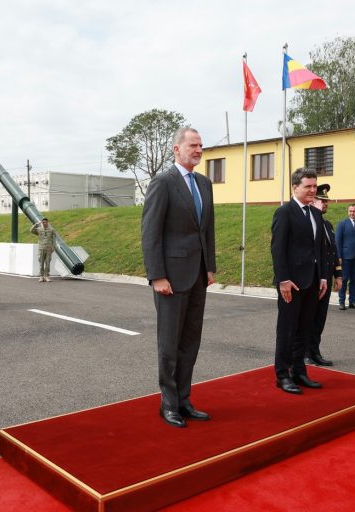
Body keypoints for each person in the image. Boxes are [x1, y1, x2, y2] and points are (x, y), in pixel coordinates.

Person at [141, 127, 216, 428]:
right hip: (170, 278)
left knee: (190, 342)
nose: (198, 150)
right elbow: (150, 233)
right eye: (193, 145)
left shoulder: (204, 183)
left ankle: (184, 400)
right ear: (176, 149)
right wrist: (157, 275)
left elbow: (206, 230)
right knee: (169, 345)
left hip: (197, 276)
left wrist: (209, 267)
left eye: (201, 145)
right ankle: (168, 404)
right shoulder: (163, 182)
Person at [271, 167, 328, 395]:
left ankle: (299, 371)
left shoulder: (316, 213)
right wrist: (283, 279)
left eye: (314, 186)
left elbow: (320, 248)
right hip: (291, 283)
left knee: (305, 329)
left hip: (313, 281)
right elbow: (277, 248)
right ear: (295, 187)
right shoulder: (285, 212)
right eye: (308, 186)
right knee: (287, 330)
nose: (313, 190)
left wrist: (323, 276)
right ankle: (282, 375)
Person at [305, 184, 342, 366]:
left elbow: (332, 251)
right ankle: (304, 353)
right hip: (313, 279)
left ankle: (315, 352)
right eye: (322, 200)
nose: (325, 204)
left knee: (320, 318)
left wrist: (338, 274)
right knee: (307, 317)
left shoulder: (327, 225)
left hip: (325, 279)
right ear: (312, 201)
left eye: (326, 201)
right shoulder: (309, 223)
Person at [31, 218, 56, 282]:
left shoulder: (51, 230)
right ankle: (41, 276)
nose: (44, 223)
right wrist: (36, 224)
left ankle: (46, 276)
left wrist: (53, 247)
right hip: (41, 248)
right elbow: (31, 230)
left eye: (45, 222)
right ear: (41, 223)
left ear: (48, 222)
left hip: (48, 249)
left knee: (48, 263)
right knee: (41, 263)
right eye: (43, 222)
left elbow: (54, 239)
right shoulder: (39, 229)